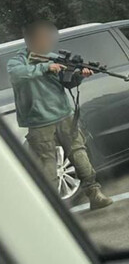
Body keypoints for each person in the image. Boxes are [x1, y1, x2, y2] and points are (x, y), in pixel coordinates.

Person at [7, 20, 113, 210]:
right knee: (47, 163)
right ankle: (55, 206)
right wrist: (45, 68)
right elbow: (16, 75)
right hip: (39, 122)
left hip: (64, 116)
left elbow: (67, 83)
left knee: (78, 153)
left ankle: (94, 193)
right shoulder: (18, 61)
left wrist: (80, 75)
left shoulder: (54, 58)